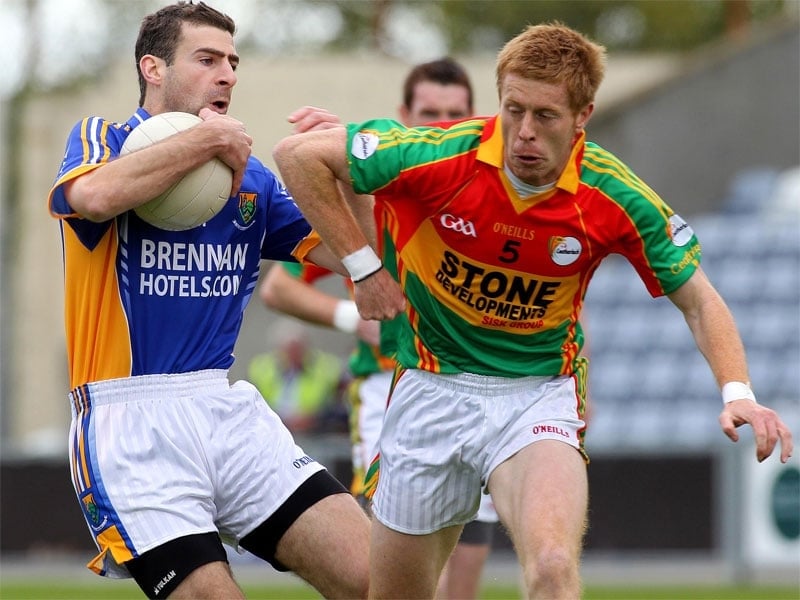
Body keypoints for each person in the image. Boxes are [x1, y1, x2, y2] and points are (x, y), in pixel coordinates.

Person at [272, 22, 795, 599]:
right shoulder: (443, 154)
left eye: (544, 116)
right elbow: (297, 155)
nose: (523, 132)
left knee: (551, 569)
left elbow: (699, 301)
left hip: (536, 396)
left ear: (582, 116)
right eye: (512, 109)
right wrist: (365, 270)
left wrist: (737, 392)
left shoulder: (612, 194)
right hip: (430, 388)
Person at [46, 2, 372, 598]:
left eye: (233, 62)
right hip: (129, 425)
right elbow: (92, 197)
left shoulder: (252, 179)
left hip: (224, 409)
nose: (227, 75)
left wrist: (352, 173)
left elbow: (360, 255)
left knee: (379, 581)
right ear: (153, 68)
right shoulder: (102, 139)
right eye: (207, 59)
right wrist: (207, 139)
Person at [260, 57, 502, 600]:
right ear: (402, 116)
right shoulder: (378, 187)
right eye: (429, 113)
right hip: (387, 388)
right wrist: (354, 317)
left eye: (455, 114)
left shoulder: (487, 191)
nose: (441, 125)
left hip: (481, 388)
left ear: (474, 117)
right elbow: (279, 287)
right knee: (390, 568)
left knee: (462, 579)